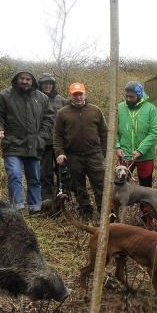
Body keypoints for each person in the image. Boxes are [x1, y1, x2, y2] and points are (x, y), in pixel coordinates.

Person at [0, 70, 54, 214]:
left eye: (28, 79)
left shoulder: (42, 98)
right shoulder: (4, 96)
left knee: (35, 179)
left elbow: (49, 118)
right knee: (14, 175)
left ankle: (35, 208)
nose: (24, 81)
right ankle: (16, 208)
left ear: (33, 81)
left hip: (34, 145)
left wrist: (42, 136)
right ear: (16, 79)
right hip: (12, 144)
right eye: (22, 78)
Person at [53, 82, 107, 221]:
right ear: (70, 95)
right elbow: (57, 135)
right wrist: (60, 153)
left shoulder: (96, 110)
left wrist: (104, 153)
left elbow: (104, 133)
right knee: (78, 187)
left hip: (94, 155)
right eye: (75, 94)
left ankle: (104, 213)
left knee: (100, 185)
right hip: (73, 156)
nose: (78, 97)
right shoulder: (62, 113)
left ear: (85, 94)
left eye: (80, 94)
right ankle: (86, 212)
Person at [116, 80, 157, 225]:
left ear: (139, 95)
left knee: (146, 187)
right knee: (119, 184)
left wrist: (141, 150)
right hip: (125, 155)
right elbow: (114, 131)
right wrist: (117, 146)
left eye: (131, 97)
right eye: (126, 96)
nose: (128, 99)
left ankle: (147, 217)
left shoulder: (151, 109)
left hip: (145, 156)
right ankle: (115, 217)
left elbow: (154, 132)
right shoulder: (120, 108)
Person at [37, 73, 68, 196]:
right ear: (40, 85)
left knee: (62, 171)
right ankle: (47, 200)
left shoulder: (61, 100)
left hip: (60, 142)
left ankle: (64, 198)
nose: (47, 86)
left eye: (50, 83)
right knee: (45, 173)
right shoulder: (35, 99)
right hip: (43, 142)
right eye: (45, 83)